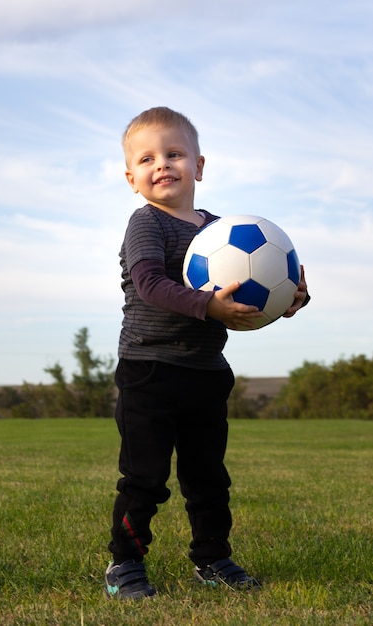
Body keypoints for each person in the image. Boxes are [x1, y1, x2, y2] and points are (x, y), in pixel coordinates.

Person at [105, 106, 310, 600]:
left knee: (208, 479)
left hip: (204, 374)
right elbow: (152, 284)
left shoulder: (226, 231)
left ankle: (214, 559)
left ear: (198, 166)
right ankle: (125, 565)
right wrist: (209, 307)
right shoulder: (145, 225)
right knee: (145, 478)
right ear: (131, 178)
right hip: (147, 371)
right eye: (148, 158)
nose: (163, 165)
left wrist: (291, 298)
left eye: (174, 154)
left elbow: (262, 283)